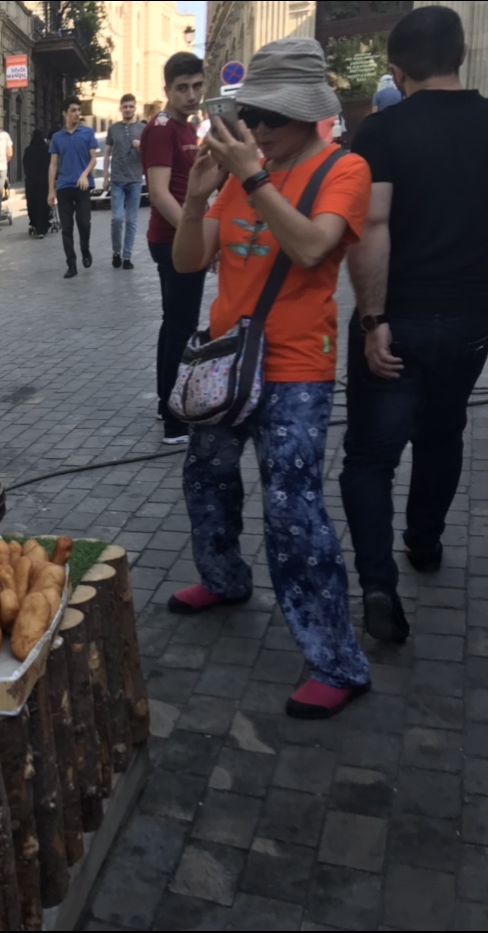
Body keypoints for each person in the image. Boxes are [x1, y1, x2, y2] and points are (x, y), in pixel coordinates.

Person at [169, 37, 373, 719]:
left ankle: (336, 660)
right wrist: (199, 199)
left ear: (310, 117)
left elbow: (314, 245)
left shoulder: (344, 169)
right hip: (226, 361)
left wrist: (251, 176)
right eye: (249, 116)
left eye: (269, 120)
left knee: (292, 509)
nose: (255, 131)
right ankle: (223, 578)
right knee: (206, 477)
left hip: (294, 368)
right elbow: (192, 261)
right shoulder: (236, 172)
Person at [341, 6, 488, 643]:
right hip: (470, 322)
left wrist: (372, 318)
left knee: (370, 457)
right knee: (444, 433)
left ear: (397, 71)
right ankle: (424, 543)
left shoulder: (382, 133)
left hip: (398, 319)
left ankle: (378, 586)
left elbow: (372, 228)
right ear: (459, 56)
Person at [142, 52, 207, 445]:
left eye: (197, 86)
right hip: (173, 241)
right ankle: (173, 421)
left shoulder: (188, 128)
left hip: (177, 237)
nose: (191, 94)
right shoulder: (163, 129)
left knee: (174, 325)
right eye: (182, 88)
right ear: (166, 90)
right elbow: (160, 194)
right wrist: (195, 235)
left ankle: (166, 405)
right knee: (181, 327)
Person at [47, 97, 99, 277]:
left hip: (83, 186)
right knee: (67, 228)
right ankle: (71, 264)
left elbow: (93, 158)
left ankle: (85, 249)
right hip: (64, 187)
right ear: (65, 113)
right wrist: (51, 191)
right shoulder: (57, 137)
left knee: (84, 223)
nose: (77, 113)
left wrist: (84, 175)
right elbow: (53, 164)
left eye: (79, 110)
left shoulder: (87, 133)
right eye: (73, 110)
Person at [103, 94, 147, 270]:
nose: (128, 109)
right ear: (120, 108)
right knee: (117, 218)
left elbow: (149, 154)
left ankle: (127, 256)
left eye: (131, 106)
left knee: (132, 221)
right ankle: (116, 252)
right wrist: (106, 176)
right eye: (125, 106)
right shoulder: (113, 129)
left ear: (135, 108)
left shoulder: (143, 129)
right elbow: (106, 153)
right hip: (118, 180)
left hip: (135, 180)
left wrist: (140, 146)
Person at [23, 128, 52, 239]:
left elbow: (25, 165)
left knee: (33, 204)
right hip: (44, 182)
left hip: (31, 182)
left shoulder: (28, 150)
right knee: (43, 204)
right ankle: (42, 228)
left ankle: (35, 224)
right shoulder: (47, 150)